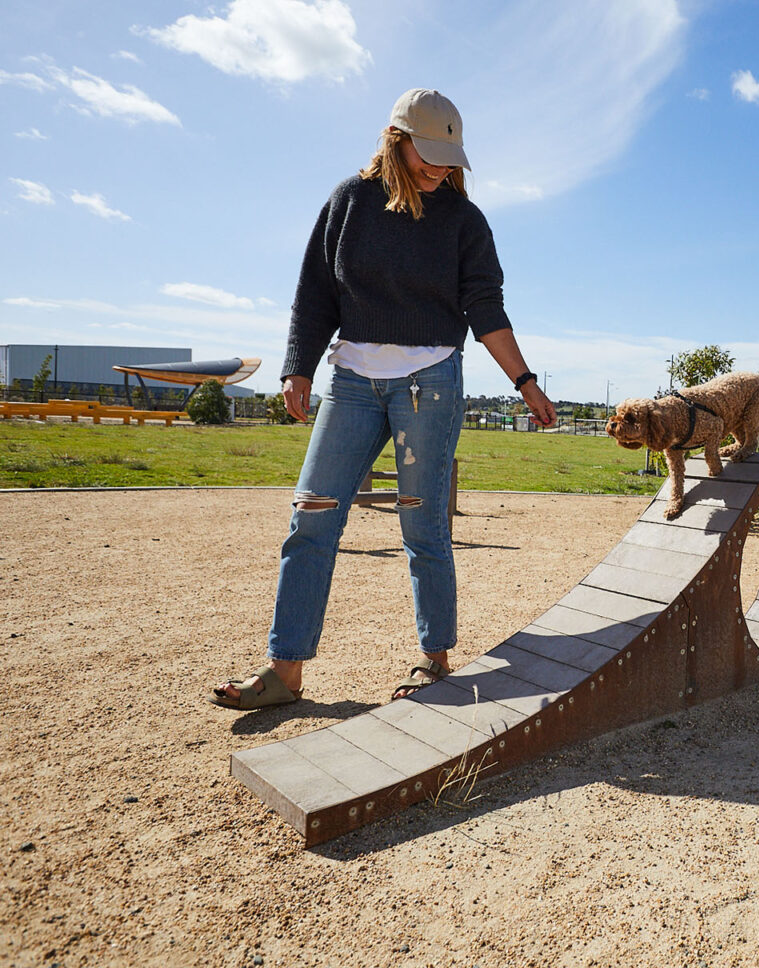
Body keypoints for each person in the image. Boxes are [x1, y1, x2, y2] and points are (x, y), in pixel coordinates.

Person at [211, 88, 555, 710]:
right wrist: (299, 368)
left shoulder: (464, 222)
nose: (440, 168)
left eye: (449, 158)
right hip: (351, 381)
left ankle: (434, 660)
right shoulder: (351, 201)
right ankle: (283, 674)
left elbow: (486, 308)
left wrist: (525, 383)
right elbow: (315, 290)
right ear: (395, 139)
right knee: (311, 515)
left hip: (431, 382)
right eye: (429, 154)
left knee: (422, 522)